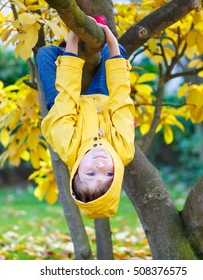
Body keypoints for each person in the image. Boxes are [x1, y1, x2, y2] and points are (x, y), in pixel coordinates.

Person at [36, 21, 135, 219]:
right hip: (102, 97)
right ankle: (87, 54)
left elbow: (67, 98)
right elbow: (121, 101)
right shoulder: (123, 150)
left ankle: (71, 53)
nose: (100, 168)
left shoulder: (68, 146)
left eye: (90, 174)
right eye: (108, 175)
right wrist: (113, 43)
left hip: (66, 106)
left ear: (76, 172)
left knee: (45, 54)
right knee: (116, 51)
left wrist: (73, 38)